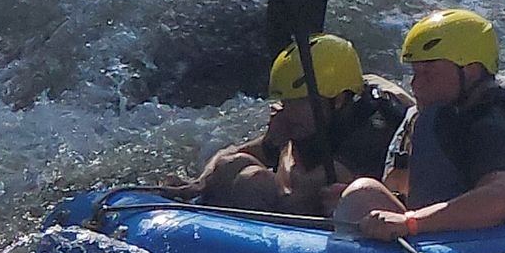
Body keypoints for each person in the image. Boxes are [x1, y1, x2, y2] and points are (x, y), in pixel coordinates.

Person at [334, 9, 505, 240]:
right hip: (448, 239)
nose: (415, 85)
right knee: (362, 195)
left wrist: (409, 223)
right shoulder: (455, 115)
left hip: (489, 249)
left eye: (428, 74)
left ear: (470, 70)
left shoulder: (490, 124)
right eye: (415, 73)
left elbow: (503, 198)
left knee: (360, 196)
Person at [163, 34, 413, 215]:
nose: (286, 111)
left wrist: (282, 149)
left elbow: (298, 199)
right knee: (235, 166)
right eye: (285, 102)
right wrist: (199, 183)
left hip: (350, 221)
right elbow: (231, 156)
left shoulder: (372, 129)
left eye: (297, 103)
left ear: (337, 100)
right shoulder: (314, 117)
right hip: (301, 201)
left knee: (255, 185)